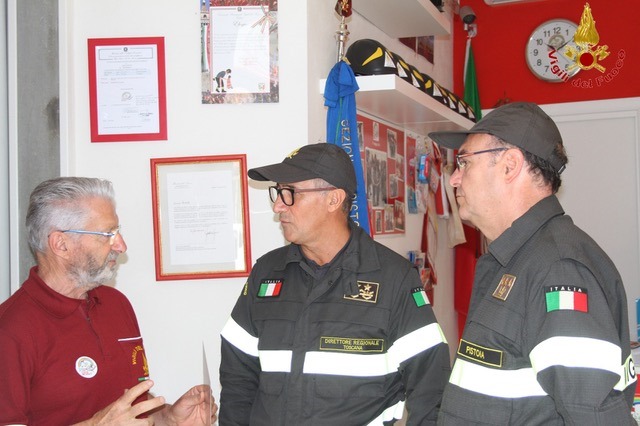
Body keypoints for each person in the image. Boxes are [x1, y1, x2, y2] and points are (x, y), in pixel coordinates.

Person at [428, 102, 636, 425]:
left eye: (464, 162)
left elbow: (596, 418)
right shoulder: (514, 258)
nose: (454, 179)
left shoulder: (558, 269)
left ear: (510, 165)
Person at [219, 143, 451, 425]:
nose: (278, 205)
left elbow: (431, 391)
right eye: (277, 192)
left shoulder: (393, 278)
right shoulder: (267, 273)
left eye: (289, 193)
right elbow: (237, 381)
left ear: (333, 199)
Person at [0, 177, 218, 425]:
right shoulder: (11, 330)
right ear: (61, 244)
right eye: (107, 234)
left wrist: (168, 418)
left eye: (118, 232)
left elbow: (125, 409)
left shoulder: (116, 303)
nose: (121, 245)